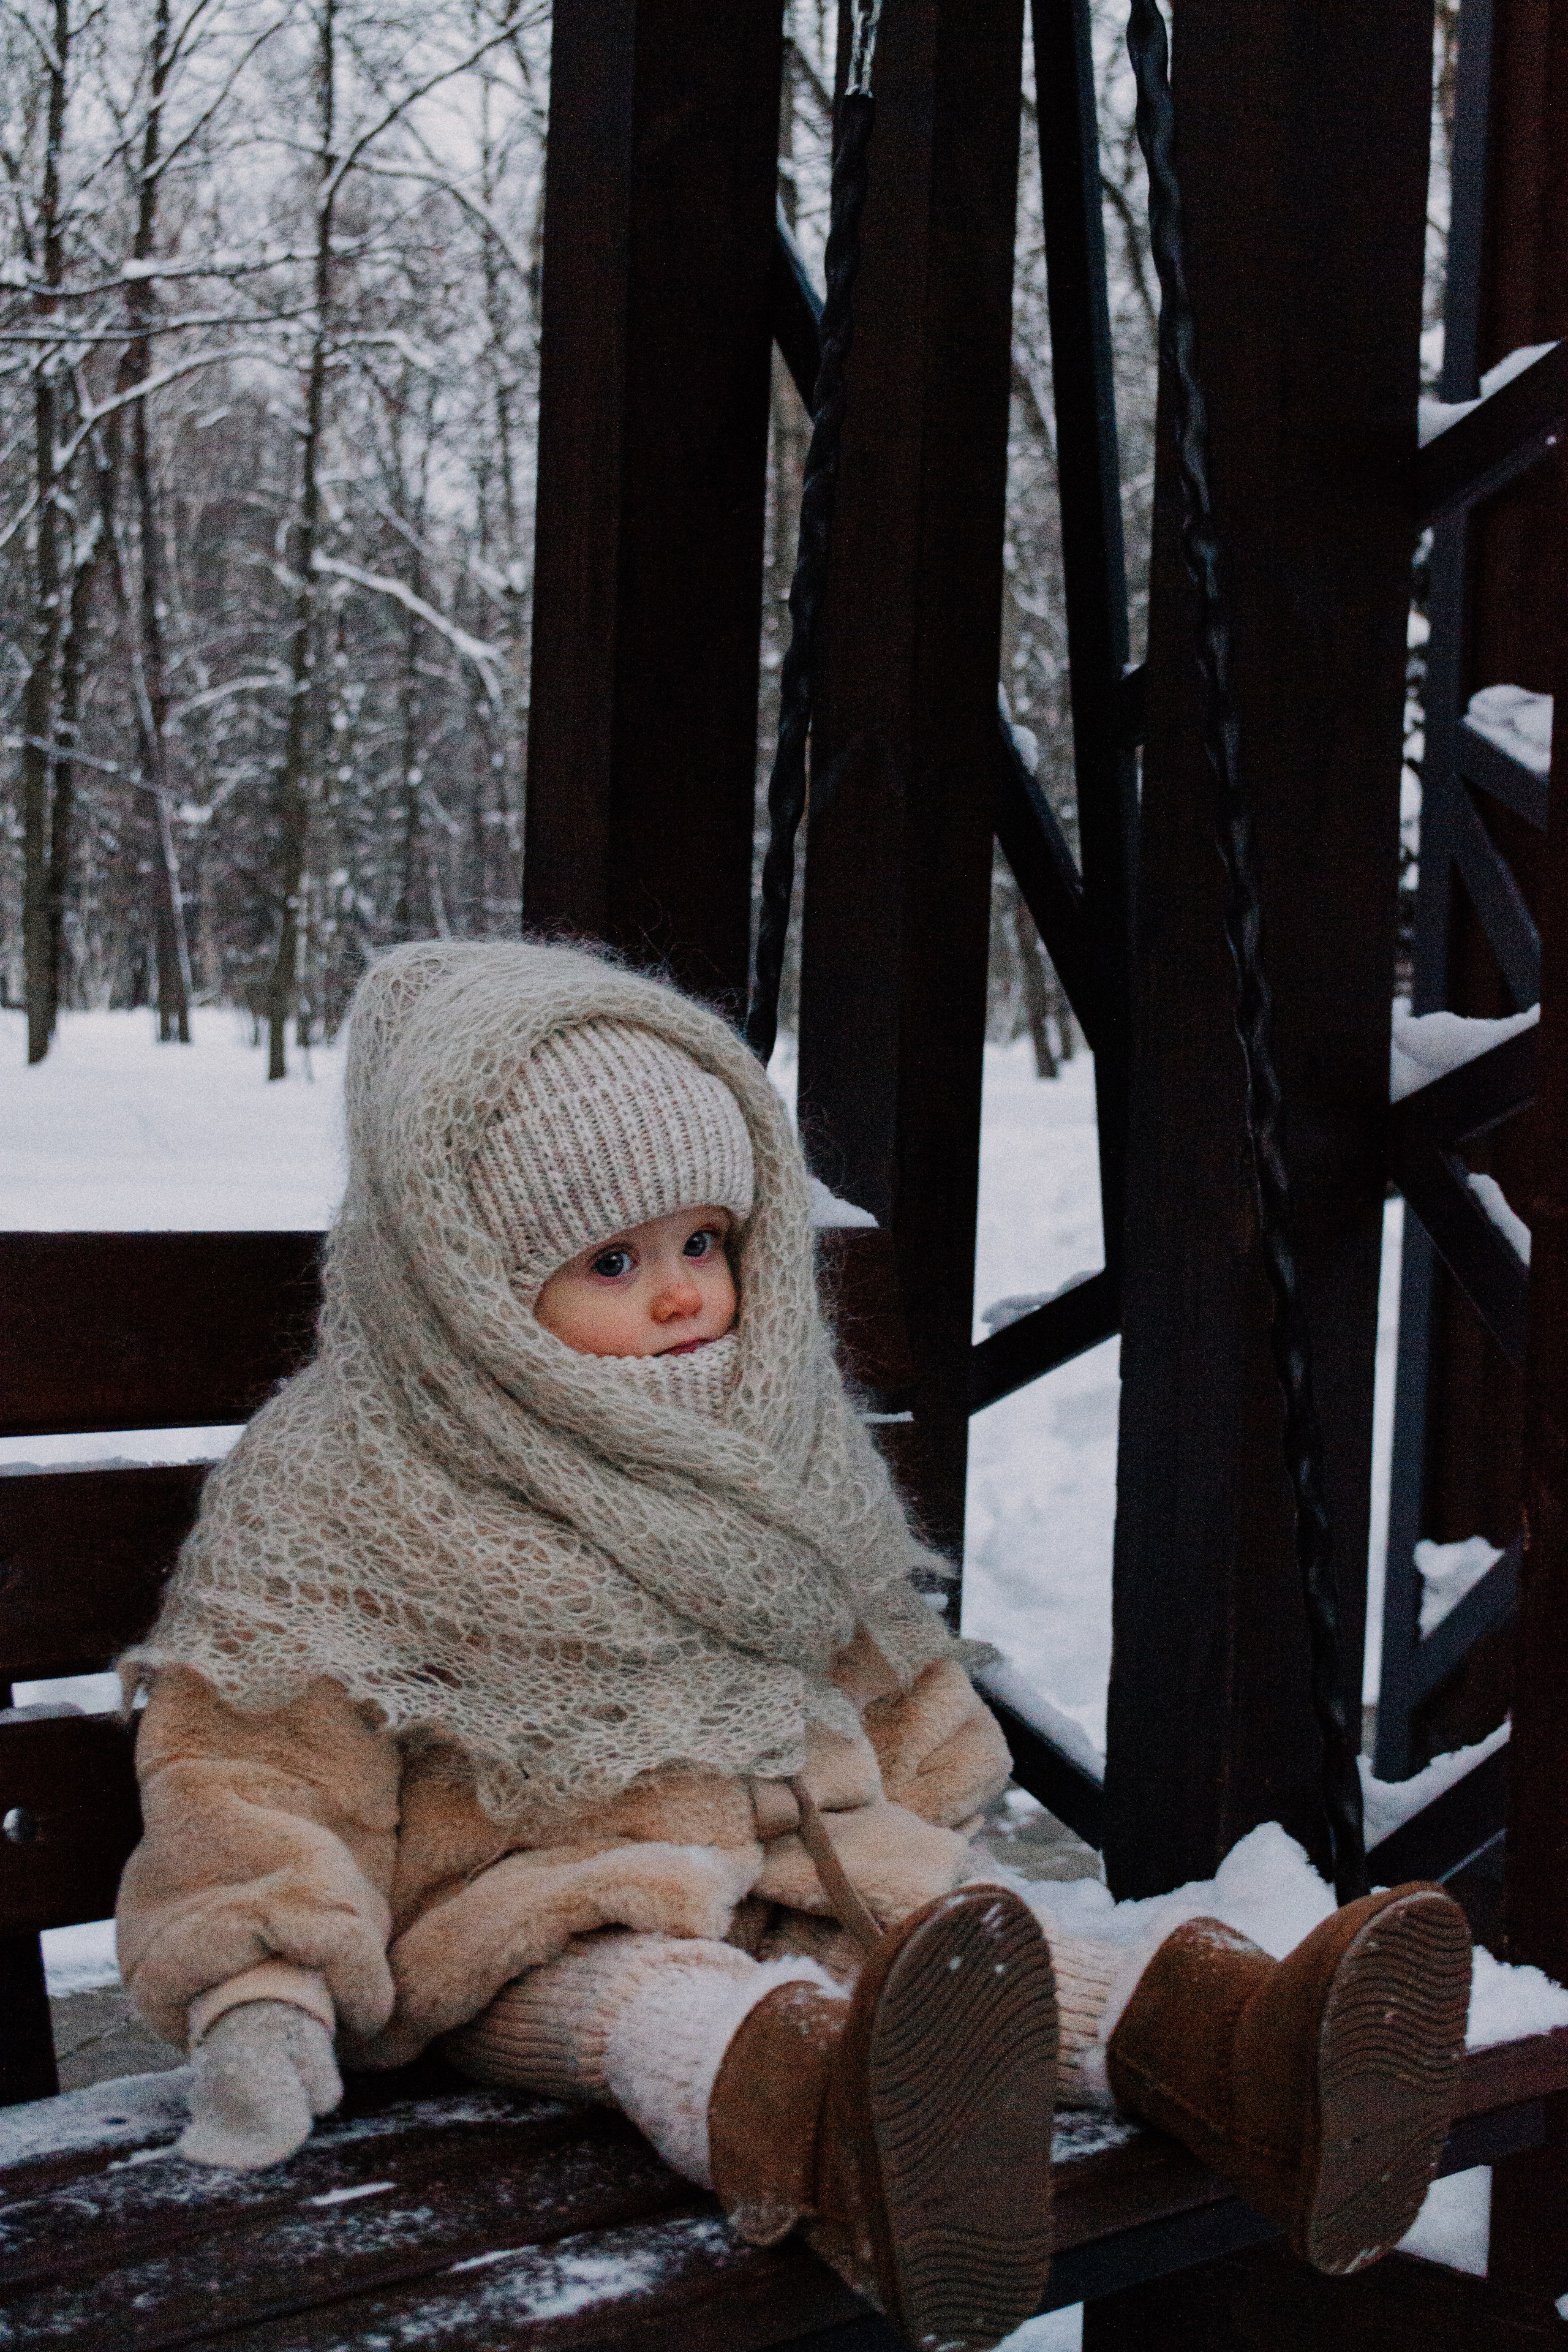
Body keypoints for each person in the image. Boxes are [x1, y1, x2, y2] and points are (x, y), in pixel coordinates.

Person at [117, 941, 1472, 2352]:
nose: (680, 1294)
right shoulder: (350, 1483)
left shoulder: (768, 1427)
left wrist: (935, 1817)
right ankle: (834, 2137)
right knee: (667, 2004)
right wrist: (258, 1979)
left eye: (703, 1241)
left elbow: (870, 1635)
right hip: (537, 1920)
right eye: (610, 1260)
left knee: (974, 1957)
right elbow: (254, 1759)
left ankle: (1242, 2054)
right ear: (458, 1283)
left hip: (803, 1863)